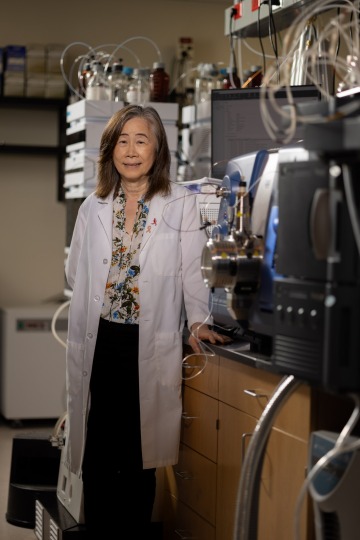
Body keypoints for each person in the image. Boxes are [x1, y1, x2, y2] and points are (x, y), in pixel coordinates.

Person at [64, 103, 226, 538]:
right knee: (99, 454)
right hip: (101, 344)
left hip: (148, 345)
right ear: (109, 149)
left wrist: (197, 322)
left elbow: (193, 273)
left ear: (158, 150)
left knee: (139, 457)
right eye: (122, 140)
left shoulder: (181, 204)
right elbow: (75, 273)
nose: (131, 150)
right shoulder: (92, 206)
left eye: (141, 140)